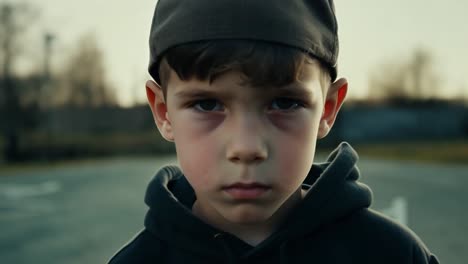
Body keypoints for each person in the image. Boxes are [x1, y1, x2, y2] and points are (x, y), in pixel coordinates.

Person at [109, 0, 439, 263]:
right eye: (207, 105)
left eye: (284, 103)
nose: (247, 147)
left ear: (327, 109)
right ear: (164, 112)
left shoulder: (389, 253)